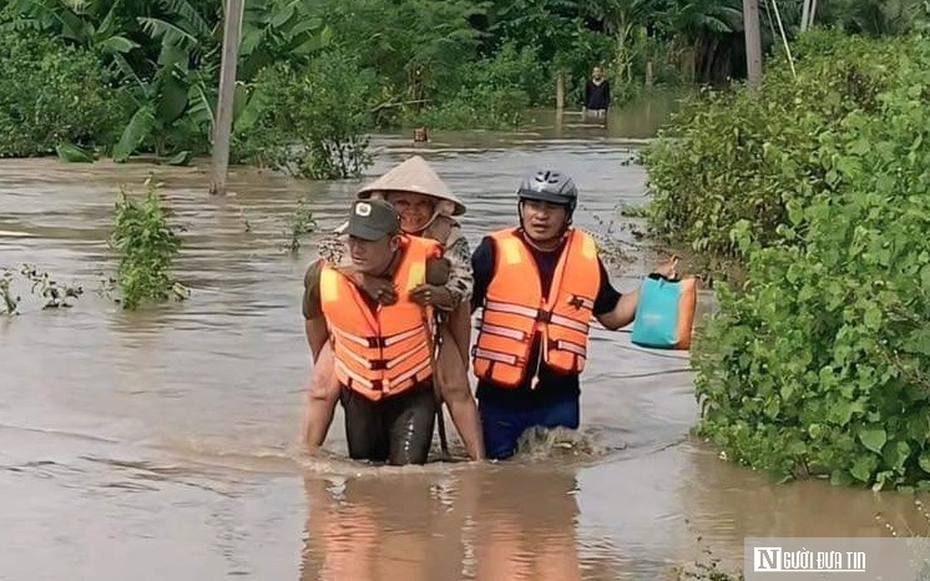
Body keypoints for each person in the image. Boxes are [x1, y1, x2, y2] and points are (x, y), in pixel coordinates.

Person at [469, 170, 678, 460]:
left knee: (559, 486)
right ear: (521, 208)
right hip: (499, 398)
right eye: (533, 205)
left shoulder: (586, 257)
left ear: (568, 213)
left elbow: (613, 316)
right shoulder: (491, 252)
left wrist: (651, 285)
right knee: (495, 482)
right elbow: (459, 311)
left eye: (551, 207)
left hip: (559, 397)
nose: (540, 215)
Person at [302, 155, 485, 461]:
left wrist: (440, 295)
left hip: (428, 318)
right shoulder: (359, 225)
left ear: (435, 208)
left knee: (455, 384)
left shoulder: (447, 236)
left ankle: (479, 461)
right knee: (321, 386)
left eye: (421, 205)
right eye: (402, 203)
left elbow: (463, 288)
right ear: (387, 203)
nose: (411, 212)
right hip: (359, 321)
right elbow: (326, 254)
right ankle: (307, 458)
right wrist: (363, 280)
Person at [302, 198, 446, 465]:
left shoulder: (431, 266)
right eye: (353, 239)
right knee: (364, 473)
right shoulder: (321, 273)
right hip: (360, 387)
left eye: (367, 241)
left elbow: (459, 303)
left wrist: (456, 364)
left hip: (413, 387)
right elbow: (313, 318)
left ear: (394, 242)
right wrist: (326, 359)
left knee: (409, 477)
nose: (357, 248)